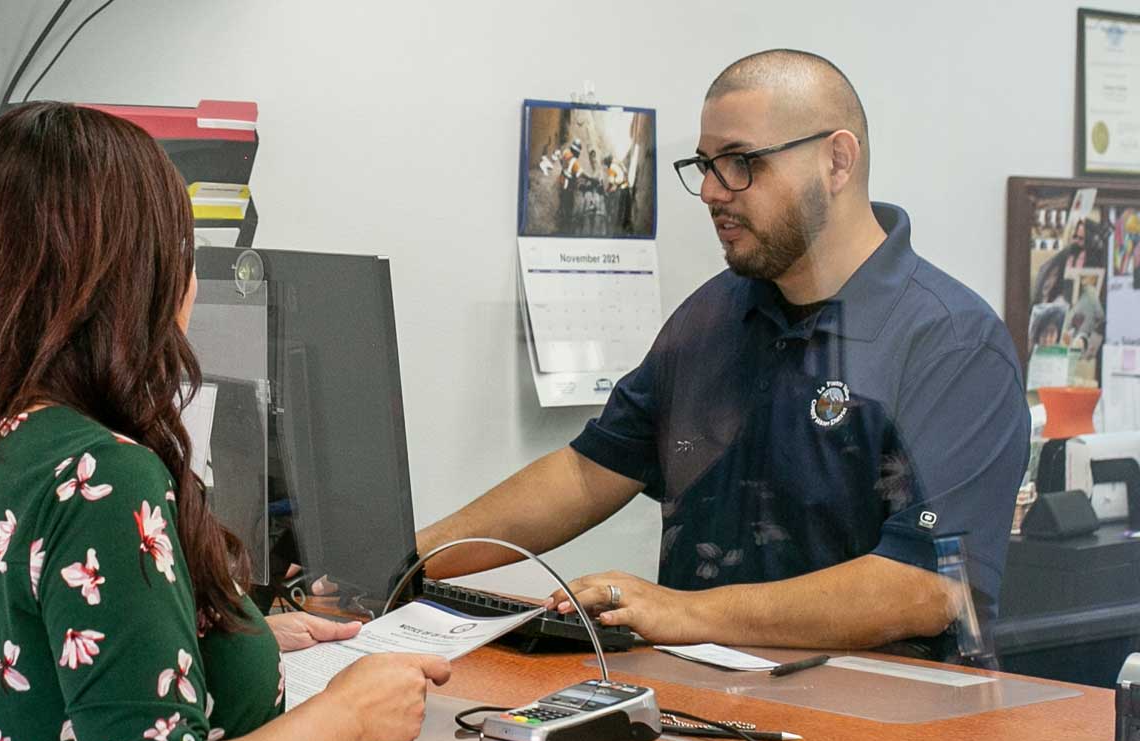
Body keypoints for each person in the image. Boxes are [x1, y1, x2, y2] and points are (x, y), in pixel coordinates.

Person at [0, 103, 450, 741]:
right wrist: (346, 716)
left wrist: (202, 626)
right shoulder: (101, 473)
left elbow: (20, 659)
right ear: (126, 274)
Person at [418, 50, 1030, 657]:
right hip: (707, 705)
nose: (712, 191)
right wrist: (409, 559)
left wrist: (684, 612)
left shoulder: (953, 343)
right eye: (706, 165)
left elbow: (924, 585)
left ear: (837, 162)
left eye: (741, 163)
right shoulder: (713, 315)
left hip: (883, 725)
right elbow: (587, 472)